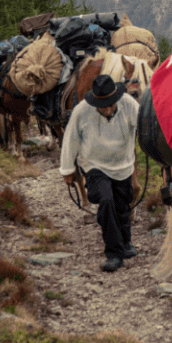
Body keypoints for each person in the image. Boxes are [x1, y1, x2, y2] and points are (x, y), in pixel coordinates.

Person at [60, 74, 140, 272]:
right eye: (103, 105)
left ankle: (126, 241)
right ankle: (114, 253)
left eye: (111, 104)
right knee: (105, 200)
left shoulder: (129, 105)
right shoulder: (81, 112)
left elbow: (143, 129)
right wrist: (68, 169)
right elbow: (70, 139)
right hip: (94, 165)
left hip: (123, 164)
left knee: (122, 203)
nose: (108, 108)